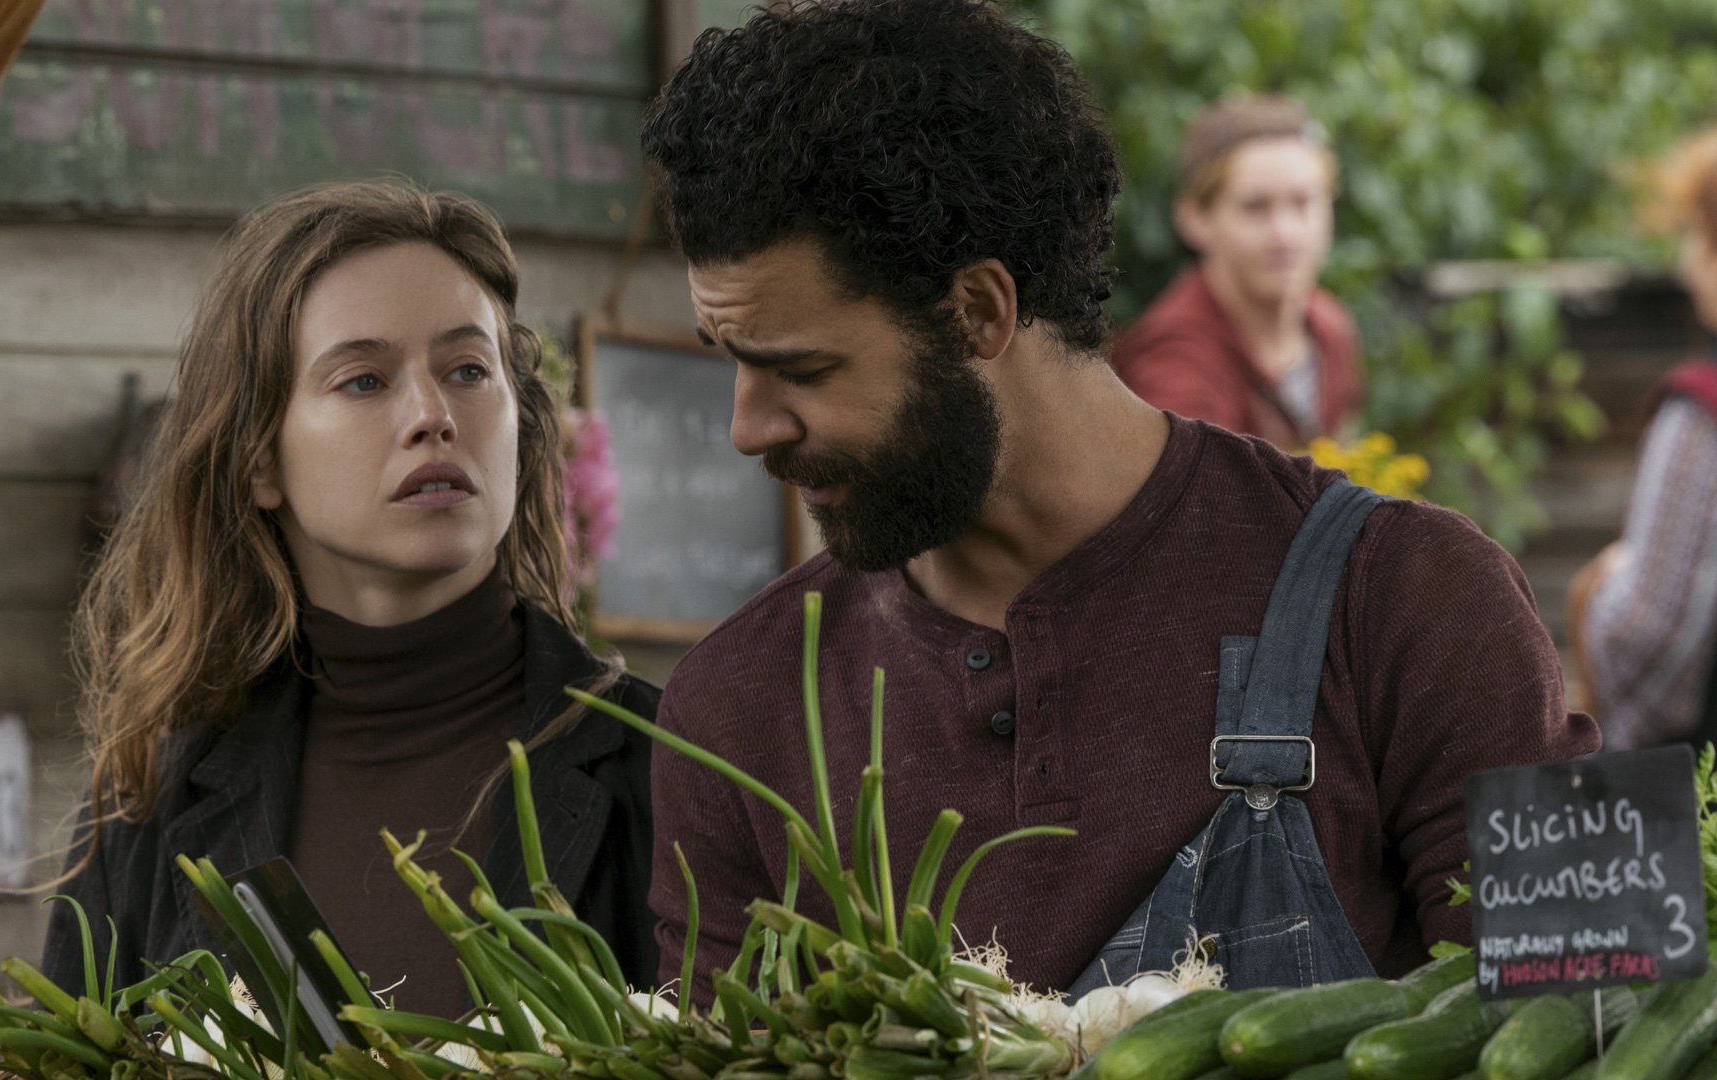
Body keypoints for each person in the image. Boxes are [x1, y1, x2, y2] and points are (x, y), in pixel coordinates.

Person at [639, 0, 1595, 996]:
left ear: (977, 311)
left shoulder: (1417, 602)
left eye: (801, 369)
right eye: (732, 362)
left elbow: (1599, 1015)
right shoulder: (736, 711)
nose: (748, 427)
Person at [39, 180, 658, 1015]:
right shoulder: (148, 803)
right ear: (259, 460)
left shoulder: (663, 766)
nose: (433, 415)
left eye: (468, 370)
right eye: (364, 381)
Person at [1570, 126, 1717, 751]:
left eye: (1695, 236)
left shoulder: (1702, 415)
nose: (1685, 264)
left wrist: (1600, 588)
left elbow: (1648, 634)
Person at [1112, 94, 1363, 447]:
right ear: (1195, 219)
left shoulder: (1328, 328)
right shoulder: (1176, 365)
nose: (1285, 234)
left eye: (1303, 202)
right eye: (1255, 207)